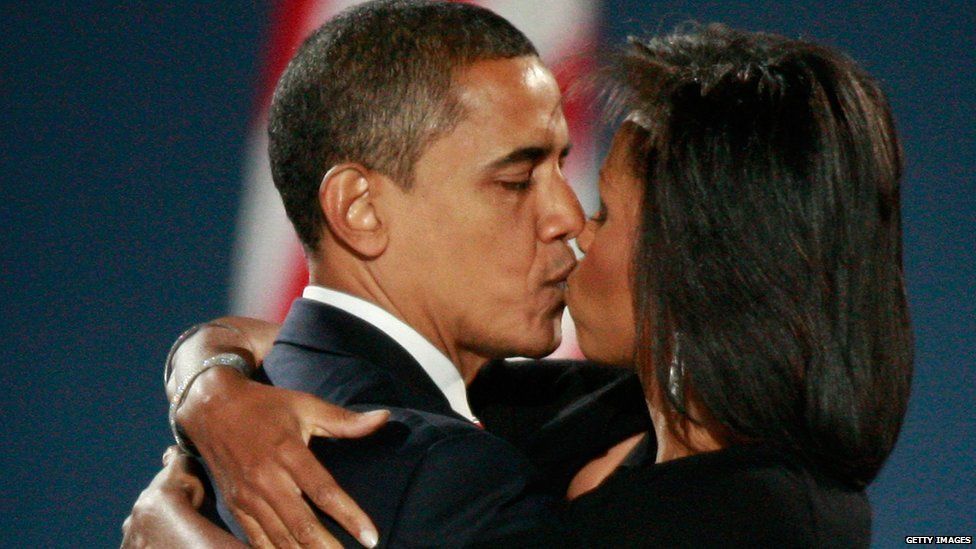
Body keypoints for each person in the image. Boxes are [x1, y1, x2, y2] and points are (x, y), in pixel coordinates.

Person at [125, 22, 913, 547]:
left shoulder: (760, 521)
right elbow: (297, 336)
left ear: (699, 262)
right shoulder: (565, 415)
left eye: (603, 210)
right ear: (359, 208)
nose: (571, 222)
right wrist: (209, 381)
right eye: (516, 179)